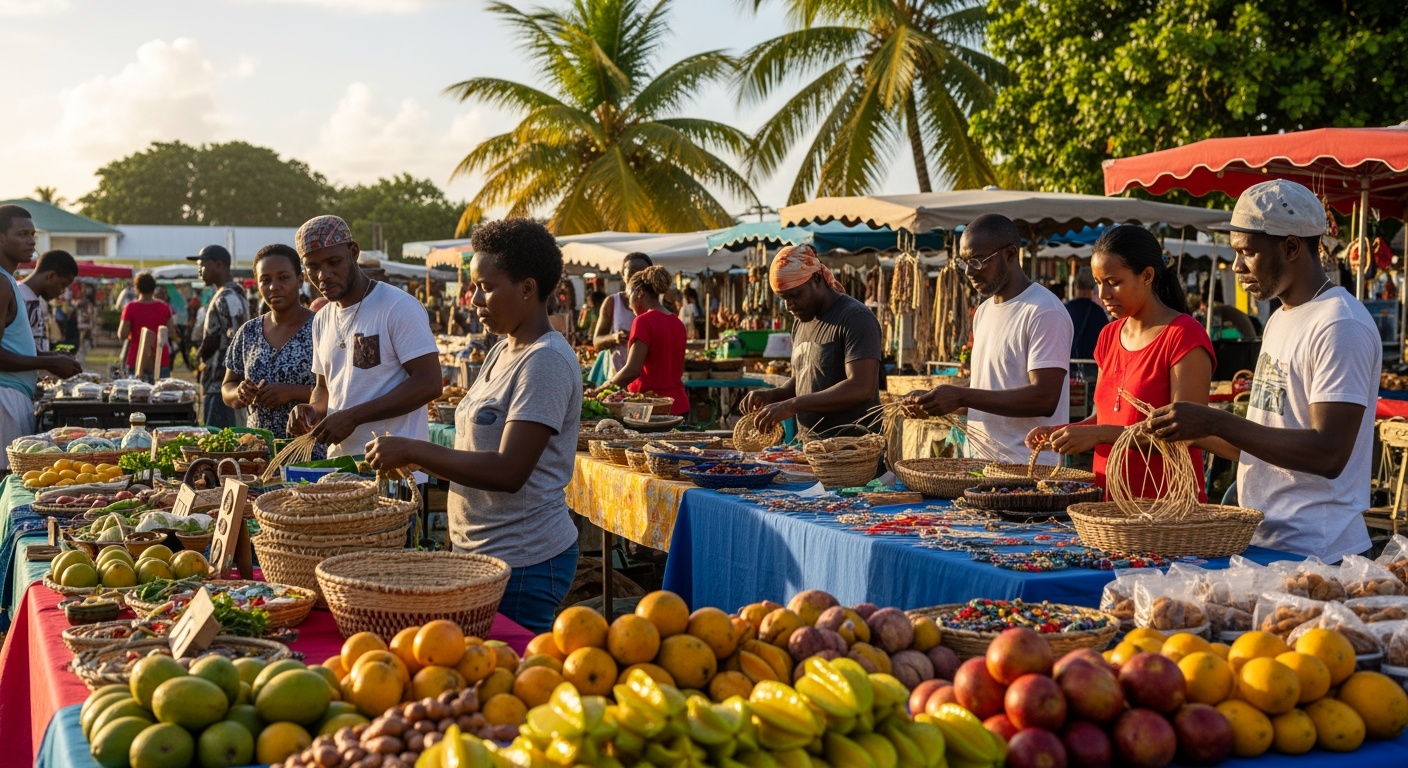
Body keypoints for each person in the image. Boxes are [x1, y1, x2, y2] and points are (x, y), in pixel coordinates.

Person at [365, 218, 579, 632]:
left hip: (524, 559)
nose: (473, 299)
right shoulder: (502, 349)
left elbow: (509, 471)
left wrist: (413, 450)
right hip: (482, 551)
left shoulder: (545, 360)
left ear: (528, 289)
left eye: (485, 286)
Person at [1148, 179, 1379, 561]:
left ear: (1291, 247)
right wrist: (1190, 431)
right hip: (1265, 539)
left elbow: (1329, 453)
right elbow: (1267, 440)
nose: (1236, 266)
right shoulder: (1281, 317)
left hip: (1318, 550)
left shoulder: (1340, 324)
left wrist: (1215, 422)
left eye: (1248, 253)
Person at [1023, 226, 1214, 499]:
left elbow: (1184, 435)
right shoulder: (1109, 335)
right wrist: (1064, 432)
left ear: (1147, 276)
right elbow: (1105, 416)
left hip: (1166, 507)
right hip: (1107, 501)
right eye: (1099, 283)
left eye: (1113, 282)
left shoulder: (1184, 336)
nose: (1103, 294)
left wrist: (1100, 434)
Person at [904, 215, 1072, 461]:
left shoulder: (1044, 310)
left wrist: (961, 395)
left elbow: (1045, 398)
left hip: (1029, 471)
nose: (969, 271)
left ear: (1011, 254)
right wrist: (934, 400)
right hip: (981, 464)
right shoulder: (983, 311)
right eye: (965, 263)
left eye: (977, 261)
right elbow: (989, 394)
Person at [287, 216, 441, 460]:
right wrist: (312, 411)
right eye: (312, 267)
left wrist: (354, 417)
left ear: (354, 252)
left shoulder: (397, 306)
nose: (323, 275)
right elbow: (323, 387)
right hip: (341, 465)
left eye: (333, 262)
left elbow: (429, 383)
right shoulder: (322, 318)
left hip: (396, 470)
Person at [740, 244, 882, 435]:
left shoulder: (855, 318)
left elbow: (861, 387)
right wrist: (773, 395)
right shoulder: (801, 320)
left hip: (853, 450)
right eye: (783, 298)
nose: (789, 305)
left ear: (816, 278)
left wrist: (794, 405)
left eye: (794, 295)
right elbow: (806, 378)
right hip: (812, 449)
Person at [0, 205, 81, 473]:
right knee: (8, 477)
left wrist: (52, 358)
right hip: (5, 398)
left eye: (32, 234)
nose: (31, 241)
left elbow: (13, 344)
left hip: (15, 395)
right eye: (22, 234)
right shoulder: (2, 283)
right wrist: (45, 361)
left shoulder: (9, 281)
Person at [223, 244, 321, 456]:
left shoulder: (321, 328)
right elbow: (227, 387)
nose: (273, 286)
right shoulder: (248, 332)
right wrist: (240, 393)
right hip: (256, 453)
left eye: (283, 278)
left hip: (309, 452)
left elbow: (342, 392)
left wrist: (292, 392)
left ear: (300, 279)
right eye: (265, 280)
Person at [592, 266, 690, 416]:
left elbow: (632, 370)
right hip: (678, 404)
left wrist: (603, 389)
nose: (629, 305)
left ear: (639, 293)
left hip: (651, 408)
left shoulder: (643, 321)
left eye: (629, 296)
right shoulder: (677, 322)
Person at [190, 246, 248, 426]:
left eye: (203, 265)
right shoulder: (225, 294)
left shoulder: (228, 297)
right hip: (217, 383)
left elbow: (238, 339)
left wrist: (232, 379)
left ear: (219, 265)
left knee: (220, 444)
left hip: (222, 385)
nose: (199, 270)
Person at [593, 252, 653, 372]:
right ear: (623, 275)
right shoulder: (612, 302)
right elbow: (596, 341)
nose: (636, 277)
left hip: (648, 375)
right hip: (618, 374)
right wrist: (615, 337)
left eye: (641, 273)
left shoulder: (654, 304)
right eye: (631, 273)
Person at [118, 272, 178, 378]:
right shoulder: (164, 307)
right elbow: (172, 331)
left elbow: (122, 334)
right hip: (160, 358)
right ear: (154, 287)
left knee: (137, 393)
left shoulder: (130, 308)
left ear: (136, 288)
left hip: (136, 357)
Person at [18, 249, 78, 353]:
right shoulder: (18, 298)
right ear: (51, 276)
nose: (62, 292)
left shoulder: (36, 300)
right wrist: (50, 361)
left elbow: (30, 350)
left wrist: (53, 356)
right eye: (63, 285)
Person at [1065, 268, 1108, 365]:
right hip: (1092, 366)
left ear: (1075, 287)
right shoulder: (1098, 311)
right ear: (1092, 289)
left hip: (1069, 365)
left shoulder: (1065, 309)